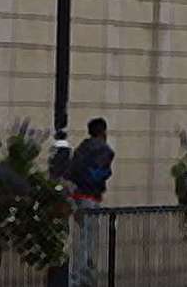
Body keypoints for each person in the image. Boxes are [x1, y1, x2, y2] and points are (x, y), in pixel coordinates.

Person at [68, 117, 115, 287]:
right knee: (89, 239)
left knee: (79, 238)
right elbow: (99, 174)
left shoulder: (81, 148)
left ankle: (75, 276)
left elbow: (71, 171)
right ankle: (84, 277)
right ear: (103, 132)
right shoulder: (104, 150)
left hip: (77, 197)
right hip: (91, 197)